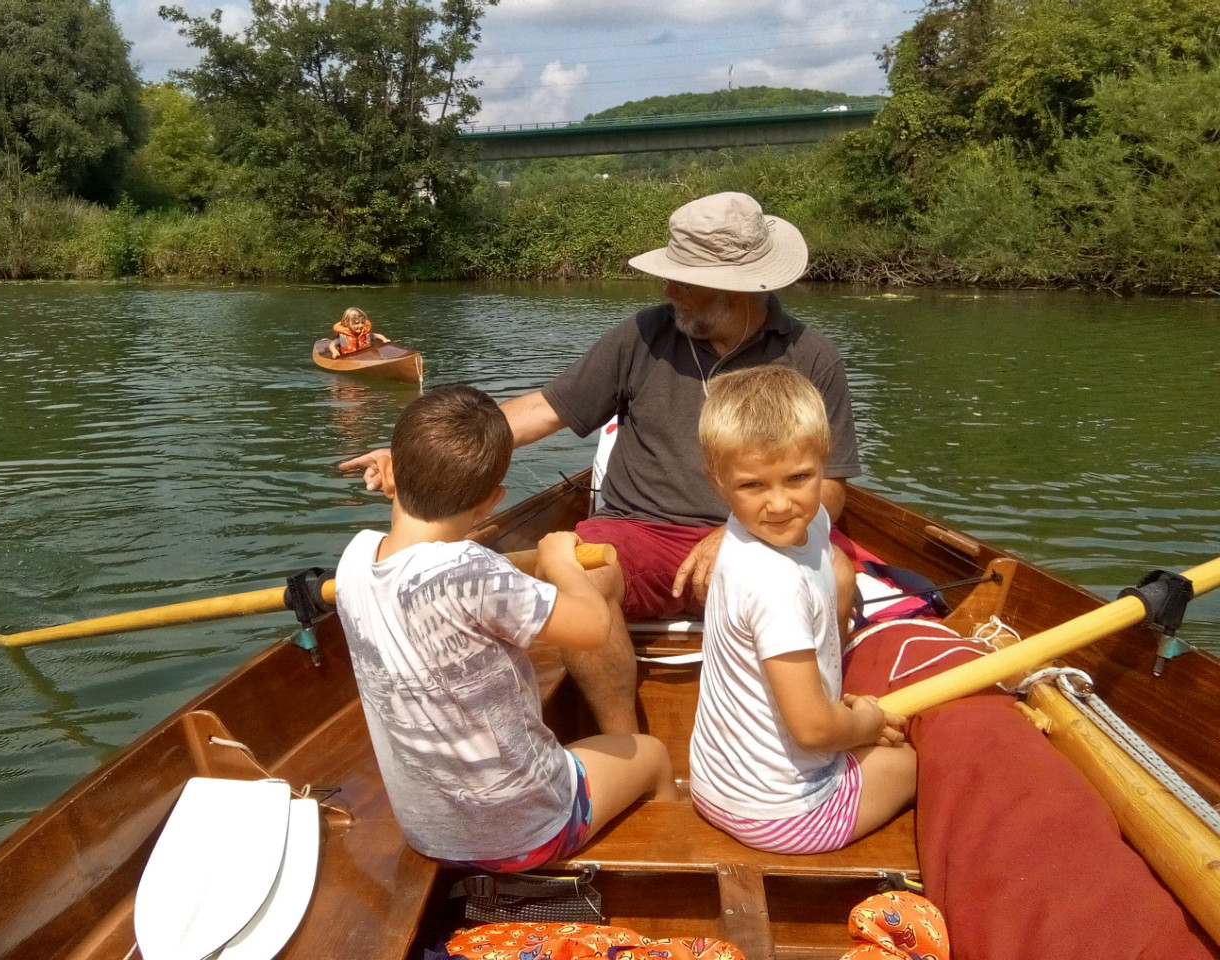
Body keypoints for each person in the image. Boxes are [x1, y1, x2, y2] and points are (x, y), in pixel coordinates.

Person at [341, 192, 862, 736]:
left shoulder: (811, 356)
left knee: (841, 574)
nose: (667, 288)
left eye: (683, 277)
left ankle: (818, 724)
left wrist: (737, 535)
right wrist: (419, 454)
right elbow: (542, 411)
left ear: (733, 287)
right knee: (584, 574)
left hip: (765, 532)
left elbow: (829, 491)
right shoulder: (643, 335)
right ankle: (626, 745)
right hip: (642, 531)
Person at [334, 384, 676, 870]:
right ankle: (660, 869)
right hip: (528, 830)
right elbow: (594, 627)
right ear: (493, 500)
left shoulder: (354, 559)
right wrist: (563, 564)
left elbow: (424, 547)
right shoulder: (474, 572)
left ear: (391, 473)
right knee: (654, 755)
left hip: (429, 833)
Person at [689, 365, 915, 853]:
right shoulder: (775, 582)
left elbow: (831, 561)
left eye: (798, 478)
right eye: (752, 486)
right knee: (909, 761)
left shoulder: (765, 527)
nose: (779, 504)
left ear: (823, 464)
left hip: (714, 789)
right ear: (718, 479)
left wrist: (846, 717)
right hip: (785, 817)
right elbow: (813, 730)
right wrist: (867, 722)